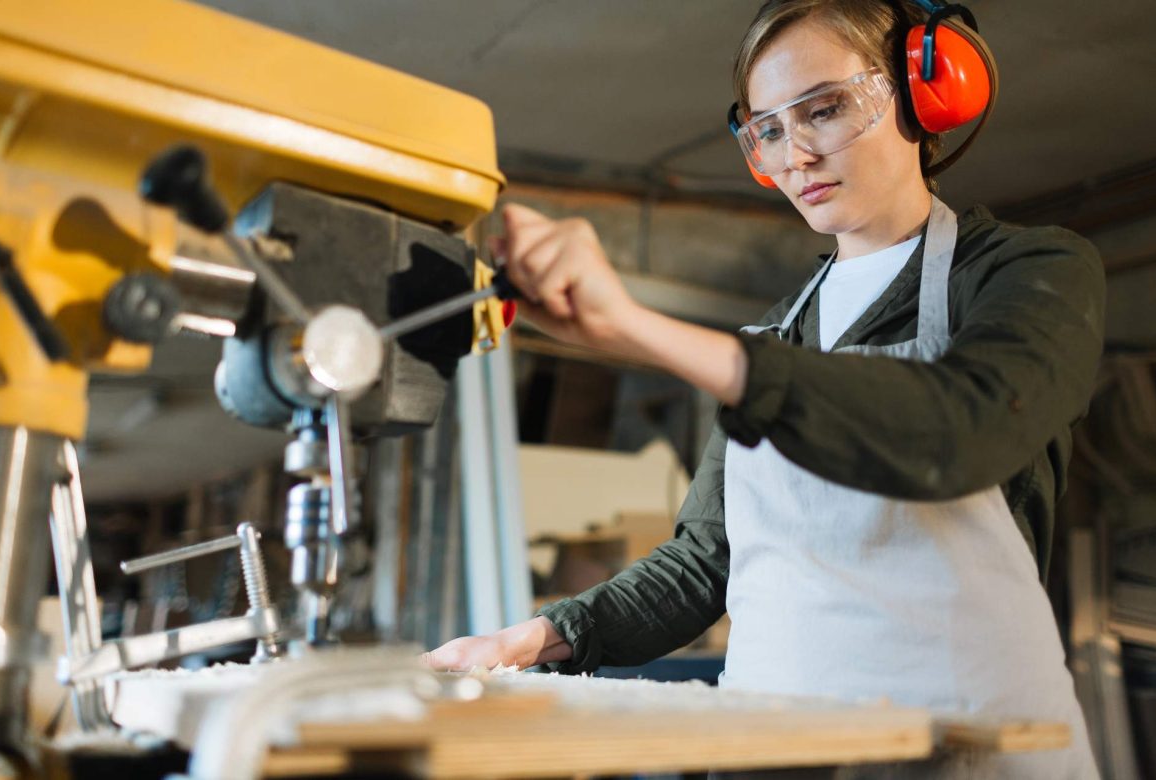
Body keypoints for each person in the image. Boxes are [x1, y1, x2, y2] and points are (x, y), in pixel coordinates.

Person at [425, 1, 1104, 776]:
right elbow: (706, 561)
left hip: (972, 745)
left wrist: (640, 330)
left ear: (926, 93)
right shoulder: (773, 338)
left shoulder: (1028, 270)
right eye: (770, 130)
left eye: (826, 109)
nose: (796, 156)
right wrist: (534, 637)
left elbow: (963, 430)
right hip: (775, 747)